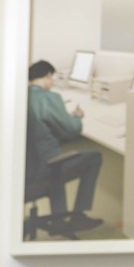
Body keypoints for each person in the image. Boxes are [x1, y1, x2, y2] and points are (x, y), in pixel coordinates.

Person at [25, 60, 103, 237]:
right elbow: (72, 131)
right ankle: (78, 216)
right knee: (94, 157)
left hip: (24, 170)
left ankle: (60, 219)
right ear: (47, 76)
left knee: (57, 158)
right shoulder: (49, 98)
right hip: (44, 169)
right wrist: (76, 117)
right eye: (52, 79)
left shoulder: (21, 96)